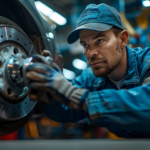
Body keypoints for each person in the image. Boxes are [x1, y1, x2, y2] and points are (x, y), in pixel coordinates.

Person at [26, 3, 150, 138]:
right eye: (85, 45)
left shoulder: (147, 63)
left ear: (122, 39)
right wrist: (50, 97)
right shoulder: (91, 79)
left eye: (100, 41)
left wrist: (72, 93)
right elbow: (66, 111)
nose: (90, 53)